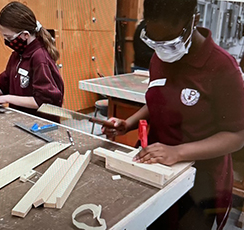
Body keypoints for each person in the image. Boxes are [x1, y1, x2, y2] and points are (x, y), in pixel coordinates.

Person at [102, 0, 244, 229]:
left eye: (169, 41)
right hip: (156, 164)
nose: (162, 48)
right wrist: (127, 124)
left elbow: (237, 135)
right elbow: (160, 101)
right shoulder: (161, 55)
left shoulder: (223, 68)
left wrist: (178, 152)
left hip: (200, 181)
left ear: (193, 21)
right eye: (154, 40)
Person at [0, 1, 64, 123]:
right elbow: (3, 87)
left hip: (41, 125)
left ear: (25, 35)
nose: (7, 42)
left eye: (9, 38)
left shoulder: (40, 58)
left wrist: (6, 98)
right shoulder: (17, 55)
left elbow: (43, 102)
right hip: (22, 121)